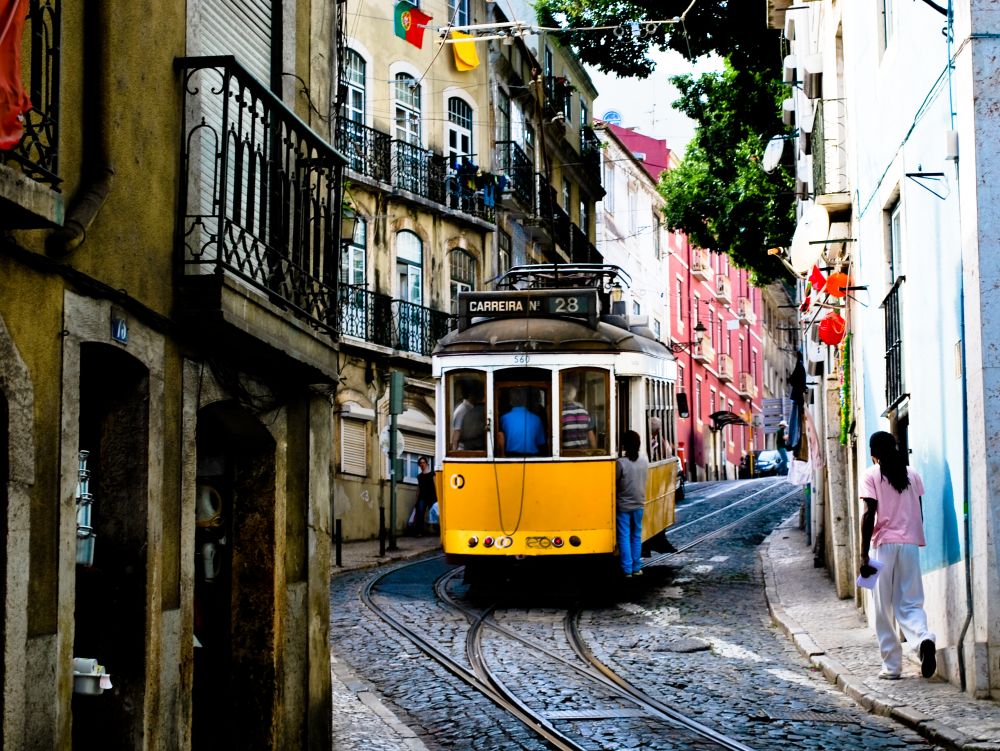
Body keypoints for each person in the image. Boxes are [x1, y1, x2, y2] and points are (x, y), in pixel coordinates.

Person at [859, 430, 936, 680]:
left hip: (883, 546)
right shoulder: (912, 474)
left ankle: (892, 667)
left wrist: (863, 554)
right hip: (910, 545)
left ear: (873, 453)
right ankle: (923, 639)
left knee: (883, 608)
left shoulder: (871, 475)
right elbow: (918, 511)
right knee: (910, 602)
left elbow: (869, 513)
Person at [616, 430, 649, 578]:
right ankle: (636, 567)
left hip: (623, 505)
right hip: (639, 503)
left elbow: (615, 483)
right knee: (636, 536)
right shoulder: (644, 461)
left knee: (624, 536)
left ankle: (627, 569)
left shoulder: (621, 463)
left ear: (624, 445)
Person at [498, 388, 545, 457]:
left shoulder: (503, 418)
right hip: (533, 459)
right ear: (526, 401)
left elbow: (500, 440)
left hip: (509, 458)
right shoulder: (537, 419)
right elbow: (540, 442)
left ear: (510, 402)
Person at [561, 382, 597, 450]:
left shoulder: (560, 412)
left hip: (567, 454)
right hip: (583, 453)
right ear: (574, 395)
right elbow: (590, 434)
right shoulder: (584, 412)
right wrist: (595, 452)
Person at [408, 456, 437, 537]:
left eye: (423, 462)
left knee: (435, 514)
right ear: (419, 465)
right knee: (420, 514)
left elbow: (436, 486)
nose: (422, 464)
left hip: (432, 497)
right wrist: (416, 500)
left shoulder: (432, 474)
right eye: (420, 463)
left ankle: (438, 531)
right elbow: (418, 488)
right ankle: (420, 532)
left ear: (427, 464)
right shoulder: (419, 476)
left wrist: (438, 498)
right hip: (422, 497)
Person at [451, 382, 485, 451]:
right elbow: (457, 432)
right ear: (470, 394)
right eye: (476, 393)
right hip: (464, 449)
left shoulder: (473, 408)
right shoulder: (462, 410)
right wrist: (454, 452)